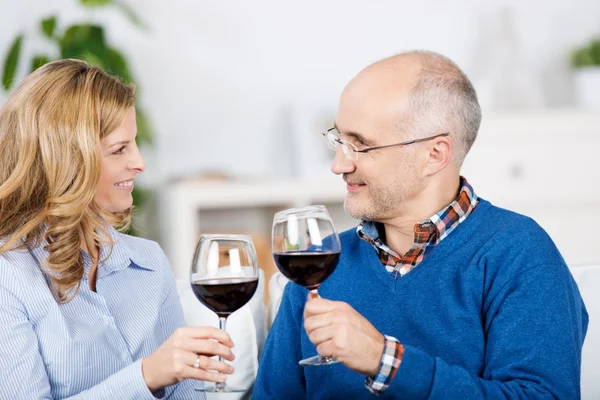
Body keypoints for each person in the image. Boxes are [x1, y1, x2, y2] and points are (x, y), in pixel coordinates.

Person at [253, 50, 589, 399]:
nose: (339, 164)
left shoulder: (519, 253)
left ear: (435, 155)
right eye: (339, 140)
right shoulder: (318, 269)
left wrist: (384, 361)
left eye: (361, 145)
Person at [0, 59, 236, 399]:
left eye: (134, 143)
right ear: (69, 161)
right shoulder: (10, 277)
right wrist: (146, 376)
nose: (139, 163)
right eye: (119, 149)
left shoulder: (149, 261)